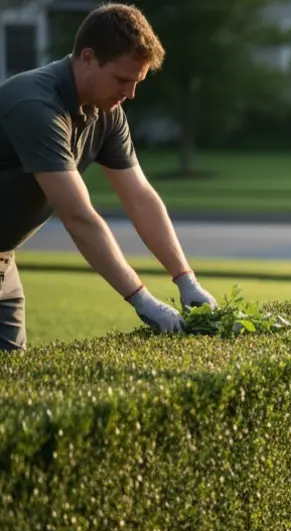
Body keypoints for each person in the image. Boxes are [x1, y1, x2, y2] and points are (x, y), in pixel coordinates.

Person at [0, 2, 216, 352]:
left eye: (137, 82)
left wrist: (185, 280)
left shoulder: (107, 113)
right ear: (88, 57)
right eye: (123, 79)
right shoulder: (35, 105)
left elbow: (140, 198)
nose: (130, 94)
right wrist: (142, 300)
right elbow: (79, 218)